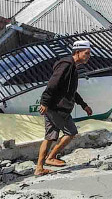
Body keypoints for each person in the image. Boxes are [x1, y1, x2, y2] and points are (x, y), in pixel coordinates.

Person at [35, 39, 93, 176]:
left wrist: (83, 105)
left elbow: (71, 91)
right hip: (58, 108)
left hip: (53, 107)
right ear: (77, 52)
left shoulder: (72, 67)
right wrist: (45, 102)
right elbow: (53, 84)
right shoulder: (67, 65)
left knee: (49, 137)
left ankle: (39, 168)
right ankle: (51, 157)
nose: (88, 56)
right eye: (86, 53)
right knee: (71, 131)